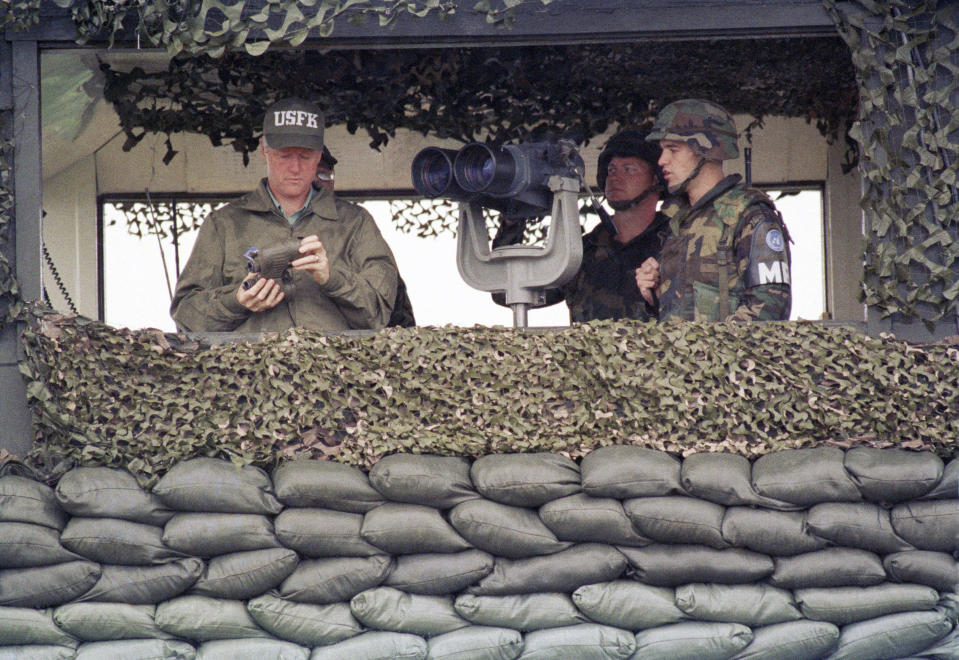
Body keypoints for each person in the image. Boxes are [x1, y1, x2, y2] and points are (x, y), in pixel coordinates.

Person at [170, 97, 399, 332]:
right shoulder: (224, 225)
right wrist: (236, 301)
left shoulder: (355, 223)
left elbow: (380, 314)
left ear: (320, 155)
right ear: (263, 151)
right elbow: (186, 317)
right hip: (251, 368)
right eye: (284, 156)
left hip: (333, 368)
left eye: (305, 156)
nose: (295, 168)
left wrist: (332, 278)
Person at [492, 129, 670, 322]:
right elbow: (508, 291)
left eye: (629, 169)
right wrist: (513, 221)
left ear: (656, 179)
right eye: (611, 170)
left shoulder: (676, 242)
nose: (615, 177)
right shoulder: (580, 253)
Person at [637, 99, 791, 321]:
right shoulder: (677, 221)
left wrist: (713, 353)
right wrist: (654, 297)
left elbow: (770, 309)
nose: (662, 160)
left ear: (706, 150)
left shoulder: (749, 216)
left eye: (672, 149)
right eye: (662, 150)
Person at [314, 146, 416, 328]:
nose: (316, 183)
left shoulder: (357, 224)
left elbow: (397, 317)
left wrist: (332, 279)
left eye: (323, 175)